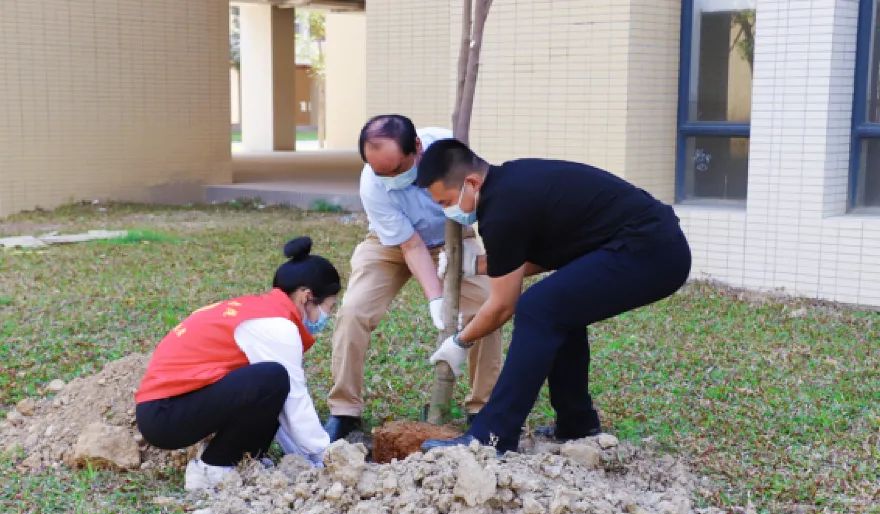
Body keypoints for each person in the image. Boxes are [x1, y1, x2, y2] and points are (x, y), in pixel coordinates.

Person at [415, 139, 692, 454]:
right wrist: (475, 265)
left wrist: (460, 342)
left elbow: (503, 305)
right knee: (560, 306)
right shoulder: (510, 182)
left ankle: (492, 436)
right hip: (643, 241)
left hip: (652, 251)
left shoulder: (502, 211)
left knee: (539, 307)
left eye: (445, 201)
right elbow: (547, 254)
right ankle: (577, 424)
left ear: (471, 183)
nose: (445, 211)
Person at [323, 114, 502, 441]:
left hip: (455, 239)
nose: (388, 178)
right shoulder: (372, 183)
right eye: (380, 172)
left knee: (488, 310)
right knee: (354, 312)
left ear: (417, 148)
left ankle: (483, 408)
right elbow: (410, 245)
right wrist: (436, 298)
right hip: (390, 244)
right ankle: (344, 411)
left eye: (395, 170)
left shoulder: (450, 148)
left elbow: (480, 197)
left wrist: (464, 252)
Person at [135, 237, 341, 490]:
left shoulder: (258, 310)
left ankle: (244, 461)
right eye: (329, 307)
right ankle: (213, 469)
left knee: (271, 384)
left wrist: (307, 459)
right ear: (307, 296)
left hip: (167, 408)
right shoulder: (277, 326)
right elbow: (295, 399)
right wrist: (330, 457)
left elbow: (278, 403)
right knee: (273, 378)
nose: (326, 317)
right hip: (164, 414)